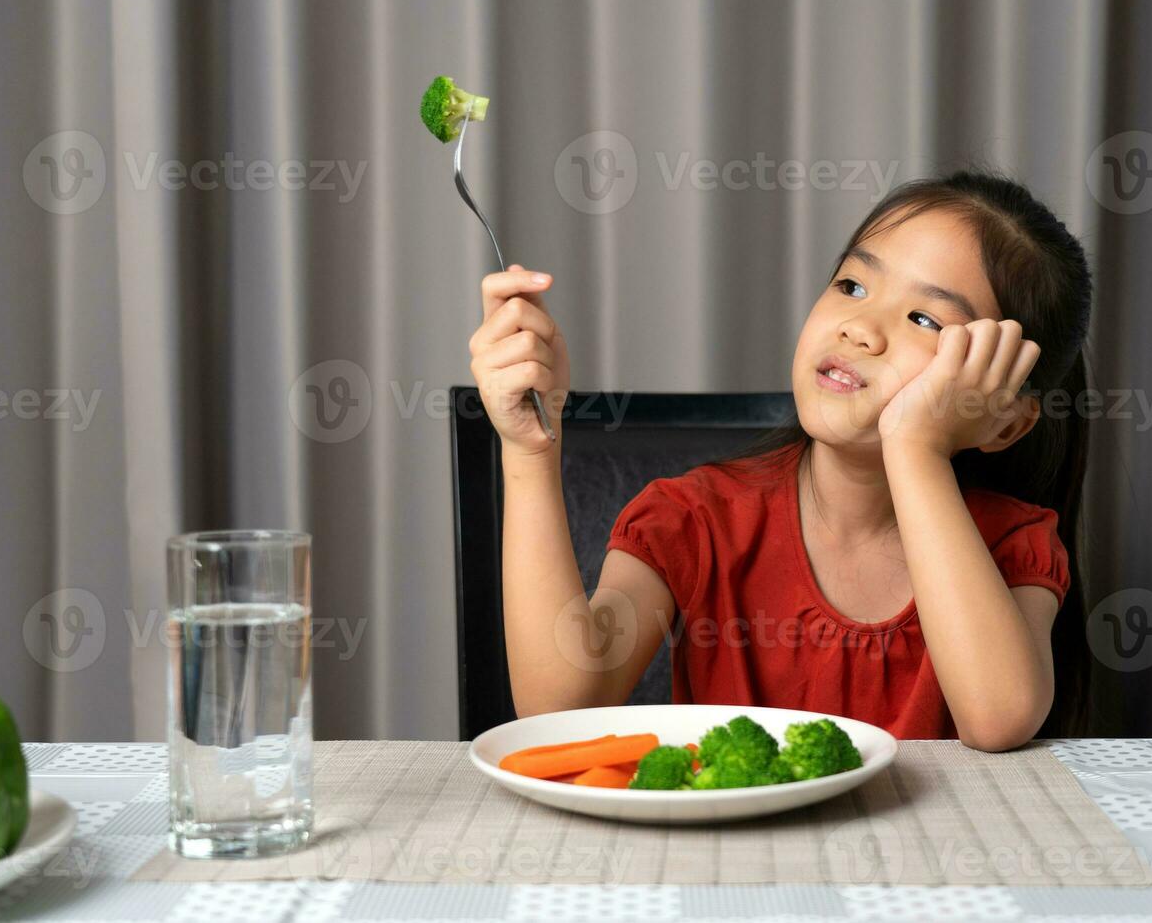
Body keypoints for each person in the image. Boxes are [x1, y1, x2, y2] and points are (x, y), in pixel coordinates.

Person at [467, 170, 1093, 750]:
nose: (861, 328)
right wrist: (529, 450)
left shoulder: (1012, 543)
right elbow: (560, 707)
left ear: (1006, 419)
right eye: (852, 284)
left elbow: (999, 717)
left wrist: (916, 448)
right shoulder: (697, 517)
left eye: (924, 318)